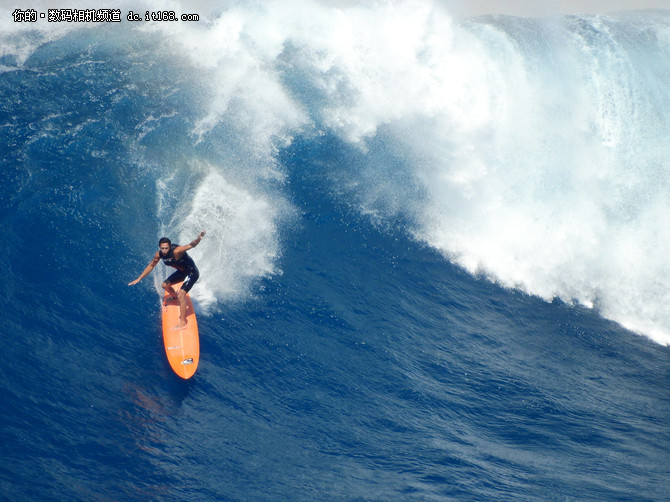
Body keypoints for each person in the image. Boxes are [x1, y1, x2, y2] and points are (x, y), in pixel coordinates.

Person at [129, 231, 206, 329]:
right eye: (162, 248)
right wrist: (139, 278)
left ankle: (182, 322)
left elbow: (191, 245)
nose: (164, 250)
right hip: (182, 272)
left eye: (166, 248)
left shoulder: (177, 251)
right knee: (164, 285)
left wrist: (199, 238)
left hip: (192, 273)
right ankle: (175, 298)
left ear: (169, 247)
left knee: (181, 294)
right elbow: (151, 265)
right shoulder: (159, 254)